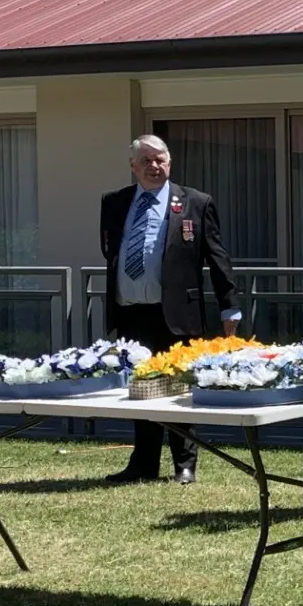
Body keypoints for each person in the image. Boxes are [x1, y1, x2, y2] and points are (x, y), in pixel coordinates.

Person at [99, 135, 240, 485]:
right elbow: (109, 251)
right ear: (133, 165)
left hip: (177, 312)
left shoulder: (195, 202)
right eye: (145, 160)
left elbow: (217, 257)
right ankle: (143, 463)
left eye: (160, 159)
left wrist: (229, 307)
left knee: (179, 390)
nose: (154, 166)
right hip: (131, 312)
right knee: (140, 389)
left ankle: (185, 464)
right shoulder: (114, 202)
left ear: (170, 162)